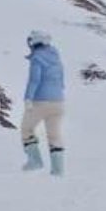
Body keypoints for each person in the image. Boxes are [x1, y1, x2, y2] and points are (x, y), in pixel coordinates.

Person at [20, 30, 65, 176]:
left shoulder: (37, 58)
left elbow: (34, 80)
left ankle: (35, 161)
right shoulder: (56, 57)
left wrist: (28, 98)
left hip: (41, 101)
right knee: (54, 135)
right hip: (58, 102)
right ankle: (58, 170)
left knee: (26, 129)